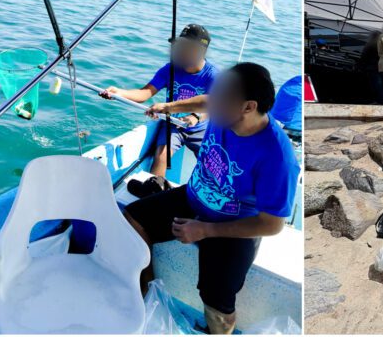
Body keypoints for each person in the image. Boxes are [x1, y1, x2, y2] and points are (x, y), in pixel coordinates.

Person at [125, 62, 299, 334]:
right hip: (193, 197)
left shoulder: (277, 157)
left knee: (217, 302)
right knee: (132, 220)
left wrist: (205, 230)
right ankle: (148, 299)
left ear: (248, 107)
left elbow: (272, 224)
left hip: (235, 224)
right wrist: (168, 107)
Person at [102, 24, 218, 196]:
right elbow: (145, 93)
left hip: (202, 128)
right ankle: (153, 194)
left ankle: (207, 197)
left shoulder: (213, 75)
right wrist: (119, 93)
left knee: (211, 164)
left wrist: (196, 117)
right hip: (172, 124)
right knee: (161, 156)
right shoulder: (169, 69)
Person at [357, 31, 382, 104]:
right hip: (376, 67)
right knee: (377, 83)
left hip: (371, 67)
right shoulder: (377, 44)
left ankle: (376, 99)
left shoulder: (370, 44)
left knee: (375, 83)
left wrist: (361, 66)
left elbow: (363, 56)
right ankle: (378, 99)